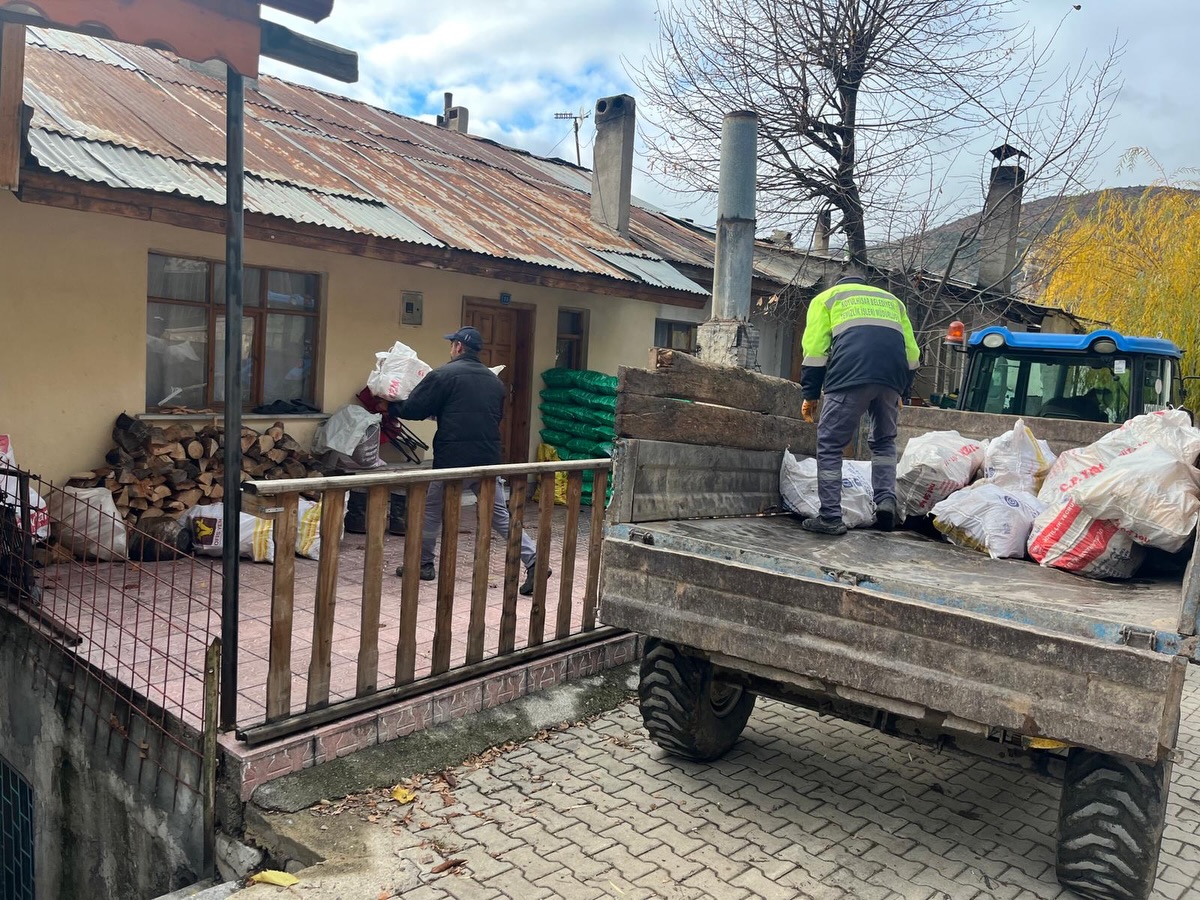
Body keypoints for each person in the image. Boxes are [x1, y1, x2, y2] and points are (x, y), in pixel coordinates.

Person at [388, 326, 546, 595]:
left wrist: (389, 405)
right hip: (487, 459)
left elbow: (415, 409)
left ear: (459, 347)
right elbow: (493, 417)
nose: (450, 348)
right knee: (500, 517)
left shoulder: (443, 375)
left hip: (452, 461)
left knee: (431, 510)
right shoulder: (494, 382)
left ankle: (423, 564)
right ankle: (535, 561)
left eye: (452, 344)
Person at [799, 273, 920, 536]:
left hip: (849, 376)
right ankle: (886, 502)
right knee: (885, 441)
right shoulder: (892, 301)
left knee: (831, 443)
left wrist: (810, 394)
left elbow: (815, 351)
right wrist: (903, 391)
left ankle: (830, 516)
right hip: (892, 379)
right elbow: (912, 354)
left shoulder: (826, 299)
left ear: (838, 283)